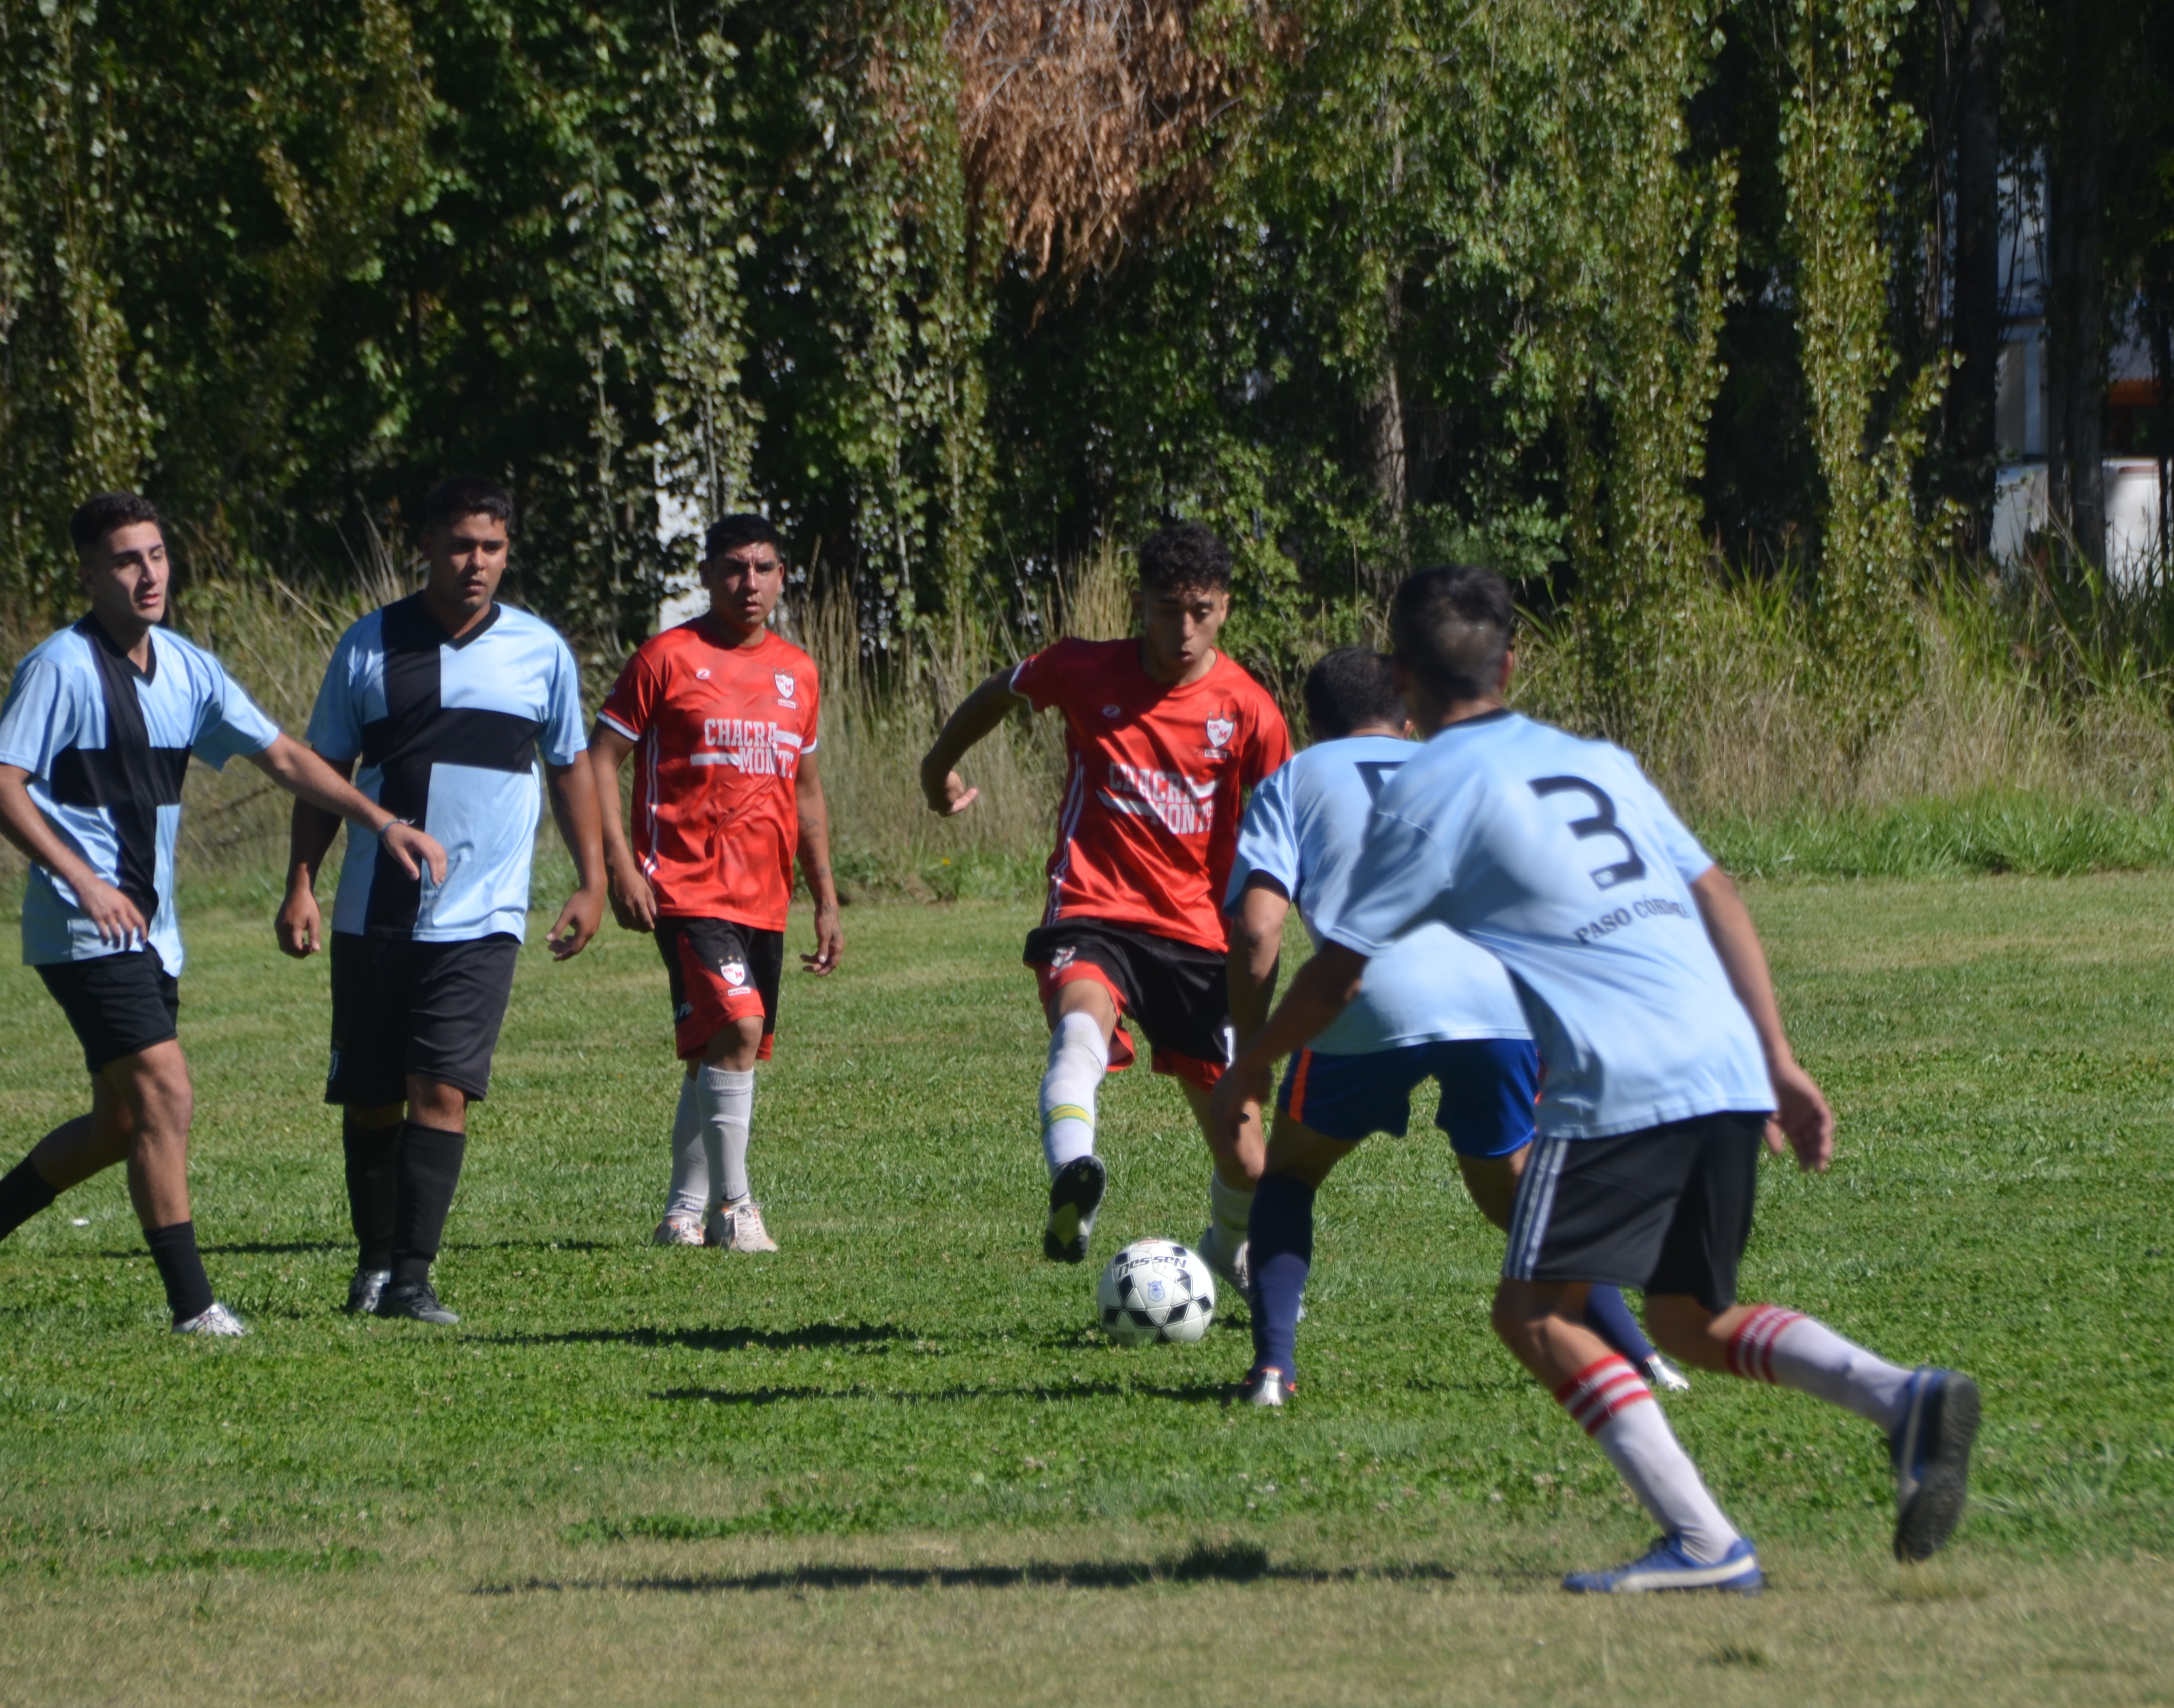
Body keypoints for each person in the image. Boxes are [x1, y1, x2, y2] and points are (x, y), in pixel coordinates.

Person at [1208, 566, 1980, 1589]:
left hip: (1617, 1074)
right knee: (1688, 1321)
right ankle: (1899, 1396)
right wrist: (1779, 1058)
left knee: (1535, 1315)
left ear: (1402, 678)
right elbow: (1718, 891)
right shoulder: (1596, 759)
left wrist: (1248, 1069)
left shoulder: (1429, 789)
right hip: (1718, 1053)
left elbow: (1337, 973)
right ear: (1512, 665)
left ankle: (1707, 1544)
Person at [0, 492, 447, 1337]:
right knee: (168, 1095)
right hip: (86, 930)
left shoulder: (188, 669)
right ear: (89, 574)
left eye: (157, 555)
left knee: (120, 1122)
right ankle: (194, 1308)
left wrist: (378, 821)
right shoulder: (60, 667)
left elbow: (281, 756)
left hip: (151, 933)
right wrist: (82, 880)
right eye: (126, 560)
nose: (148, 573)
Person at [1217, 646, 1686, 1406]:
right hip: (1496, 995)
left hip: (1367, 991)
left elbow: (1256, 931)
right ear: (1405, 720)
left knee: (1290, 1175)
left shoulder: (1294, 779)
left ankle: (1272, 1369)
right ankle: (1641, 1356)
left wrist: (1248, 1059)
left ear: (1313, 725)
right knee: (1515, 1196)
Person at [276, 475, 604, 1325]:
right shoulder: (369, 645)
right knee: (373, 1092)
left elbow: (569, 766)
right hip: (375, 908)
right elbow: (323, 775)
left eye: (492, 547)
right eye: (460, 545)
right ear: (426, 545)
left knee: (444, 1089)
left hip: (486, 910)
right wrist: (302, 884)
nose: (476, 563)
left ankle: (414, 1277)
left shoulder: (541, 652)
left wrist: (593, 877)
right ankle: (373, 1264)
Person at [919, 522, 1290, 1270]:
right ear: (1138, 604)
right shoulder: (1082, 668)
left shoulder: (1250, 711)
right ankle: (1071, 1176)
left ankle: (1227, 1251)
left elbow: (1283, 837)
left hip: (1195, 935)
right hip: (1094, 907)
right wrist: (938, 771)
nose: (1182, 630)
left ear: (1224, 607)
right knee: (1080, 1025)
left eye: (1201, 610)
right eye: (1164, 610)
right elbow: (1000, 692)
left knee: (1247, 1160)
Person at [591, 513, 843, 1252]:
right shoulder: (667, 658)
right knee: (739, 1027)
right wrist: (619, 867)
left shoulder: (798, 670)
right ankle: (736, 1209)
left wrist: (825, 899)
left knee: (716, 1050)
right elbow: (601, 758)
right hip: (685, 889)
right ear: (705, 575)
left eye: (765, 568)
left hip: (764, 896)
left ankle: (680, 1211)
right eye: (734, 568)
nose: (750, 583)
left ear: (783, 576)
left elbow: (806, 791)